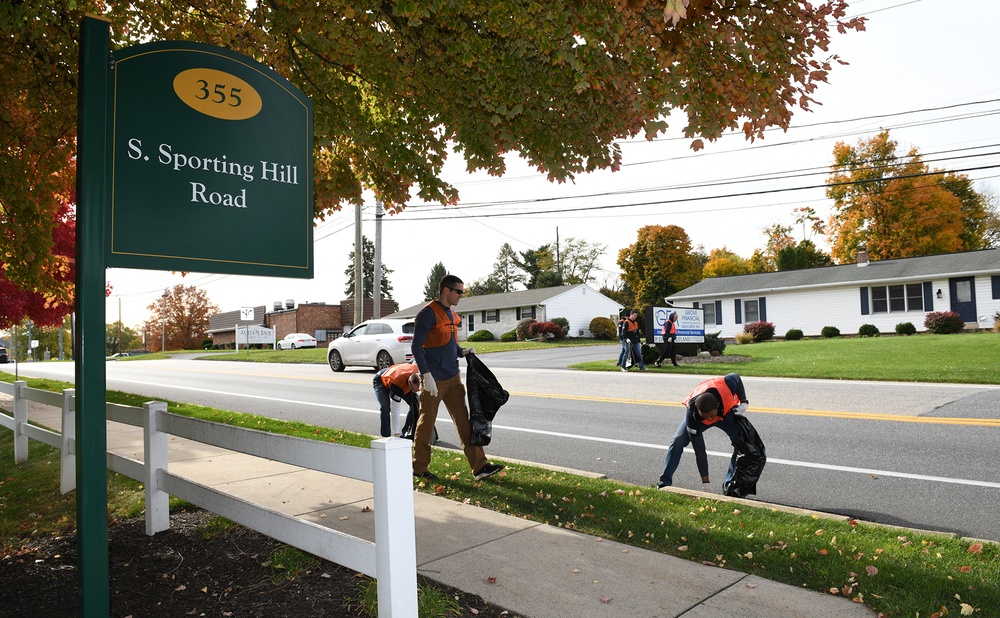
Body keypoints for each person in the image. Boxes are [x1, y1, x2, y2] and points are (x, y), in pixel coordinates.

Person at [410, 274, 504, 481]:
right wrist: (426, 375)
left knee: (465, 423)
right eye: (459, 291)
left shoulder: (451, 314)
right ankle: (419, 467)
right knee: (426, 424)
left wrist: (462, 352)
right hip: (433, 380)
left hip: (453, 378)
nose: (461, 295)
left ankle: (480, 466)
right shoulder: (427, 314)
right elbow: (416, 346)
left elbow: (449, 344)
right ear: (446, 291)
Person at [657, 373, 749, 489]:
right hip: (700, 421)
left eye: (711, 416)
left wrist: (744, 402)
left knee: (741, 443)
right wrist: (705, 482)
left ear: (717, 405)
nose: (709, 419)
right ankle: (664, 482)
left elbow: (736, 377)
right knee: (677, 441)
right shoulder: (692, 417)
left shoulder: (728, 384)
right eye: (705, 416)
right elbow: (699, 451)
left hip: (725, 415)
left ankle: (730, 485)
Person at [372, 363, 420, 438]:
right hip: (381, 380)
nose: (414, 392)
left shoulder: (420, 371)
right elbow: (395, 410)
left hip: (398, 377)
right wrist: (396, 433)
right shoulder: (397, 384)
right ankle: (386, 436)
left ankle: (406, 432)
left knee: (415, 404)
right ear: (409, 383)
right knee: (385, 407)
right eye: (413, 389)